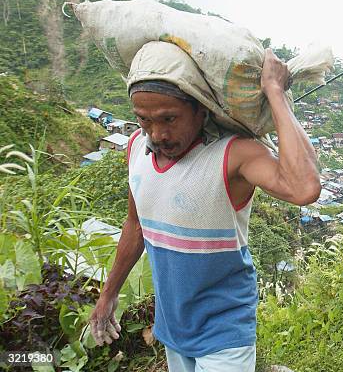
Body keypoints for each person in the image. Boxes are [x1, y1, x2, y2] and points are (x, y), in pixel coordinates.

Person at [88, 47, 321, 372]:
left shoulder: (233, 155)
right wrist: (108, 294)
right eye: (144, 119)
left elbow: (305, 187)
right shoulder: (136, 149)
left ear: (200, 109)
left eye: (169, 119)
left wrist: (275, 92)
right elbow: (135, 226)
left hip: (225, 332)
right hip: (172, 328)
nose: (157, 134)